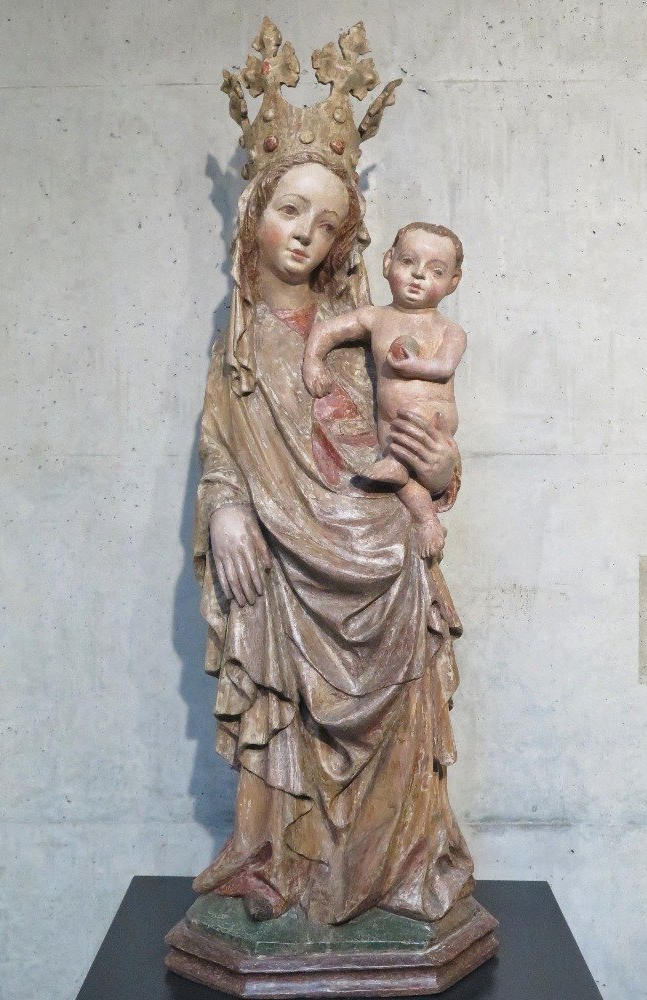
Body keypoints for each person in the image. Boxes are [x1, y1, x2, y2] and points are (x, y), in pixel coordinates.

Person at [192, 150, 474, 925]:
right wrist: (226, 509)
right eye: (289, 211)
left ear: (343, 242)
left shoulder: (365, 330)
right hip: (287, 564)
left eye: (325, 225)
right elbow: (221, 446)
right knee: (277, 681)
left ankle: (387, 869)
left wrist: (441, 470)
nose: (303, 235)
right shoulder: (237, 346)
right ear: (254, 215)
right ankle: (280, 860)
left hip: (383, 555)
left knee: (399, 719)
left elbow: (416, 432)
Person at [302, 222, 466, 559]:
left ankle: (401, 470)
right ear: (387, 262)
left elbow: (444, 366)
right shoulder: (376, 318)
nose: (419, 275)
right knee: (401, 481)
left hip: (433, 426)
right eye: (408, 262)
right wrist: (313, 360)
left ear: (453, 282)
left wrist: (411, 366)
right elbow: (327, 330)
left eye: (436, 271)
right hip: (391, 430)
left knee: (405, 465)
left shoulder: (449, 330)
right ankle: (428, 522)